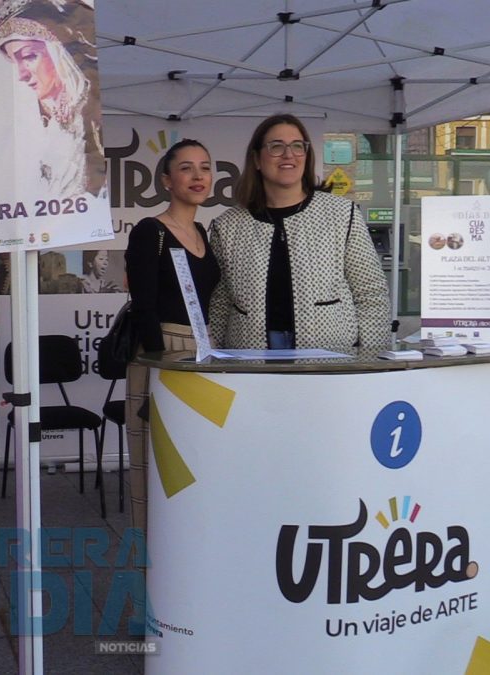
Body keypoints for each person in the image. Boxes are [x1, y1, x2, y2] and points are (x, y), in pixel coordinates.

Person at [209, 114, 390, 351]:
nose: (288, 154)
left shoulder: (342, 214)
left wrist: (370, 358)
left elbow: (371, 293)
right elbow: (220, 303)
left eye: (297, 146)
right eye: (276, 146)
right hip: (250, 357)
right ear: (256, 159)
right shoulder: (229, 226)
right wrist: (216, 361)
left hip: (330, 358)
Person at [123, 138, 221, 532]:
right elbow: (144, 307)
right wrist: (162, 372)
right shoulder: (151, 231)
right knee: (154, 469)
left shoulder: (201, 231)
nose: (198, 176)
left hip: (200, 352)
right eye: (186, 168)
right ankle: (149, 573)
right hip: (160, 354)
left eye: (205, 167)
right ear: (166, 179)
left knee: (191, 468)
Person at [0, 0, 105, 198]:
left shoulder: (92, 113)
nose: (22, 74)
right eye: (15, 61)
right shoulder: (40, 123)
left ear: (59, 53)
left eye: (28, 57)